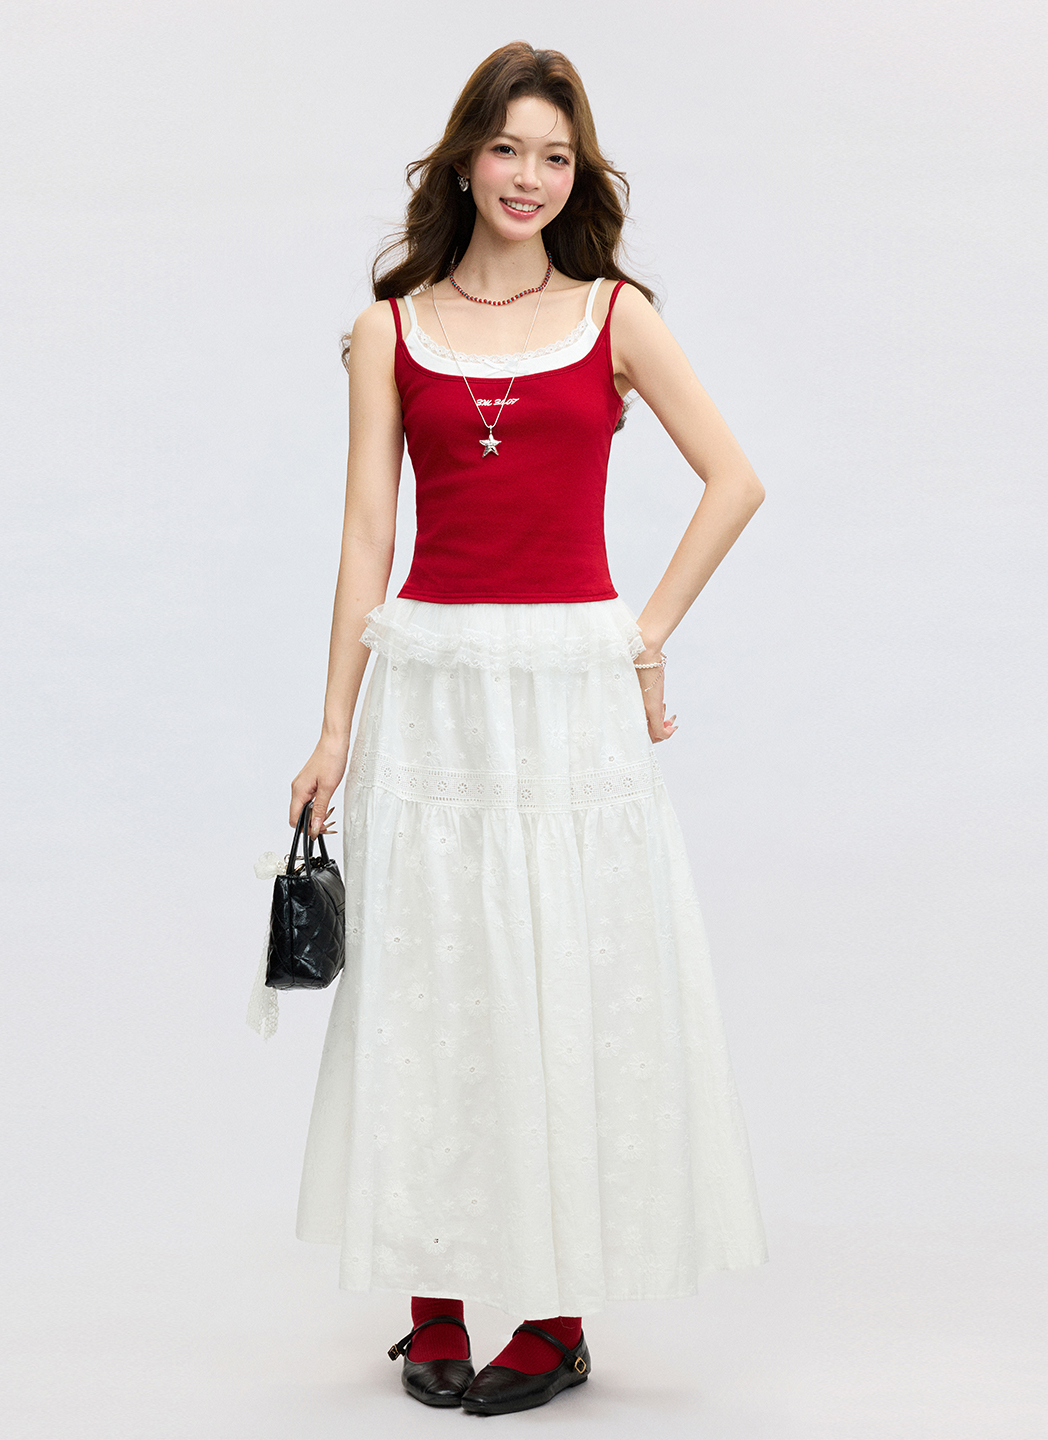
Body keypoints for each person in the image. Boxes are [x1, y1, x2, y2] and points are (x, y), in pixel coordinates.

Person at [270, 41, 769, 1416]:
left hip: (564, 694)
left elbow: (734, 480)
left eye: (556, 156)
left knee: (560, 982)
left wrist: (643, 635)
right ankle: (432, 1305)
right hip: (433, 686)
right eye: (507, 149)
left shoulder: (615, 315)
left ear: (576, 174)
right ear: (464, 160)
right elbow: (366, 536)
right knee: (430, 984)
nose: (530, 178)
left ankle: (554, 1320)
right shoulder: (392, 328)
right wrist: (333, 728)